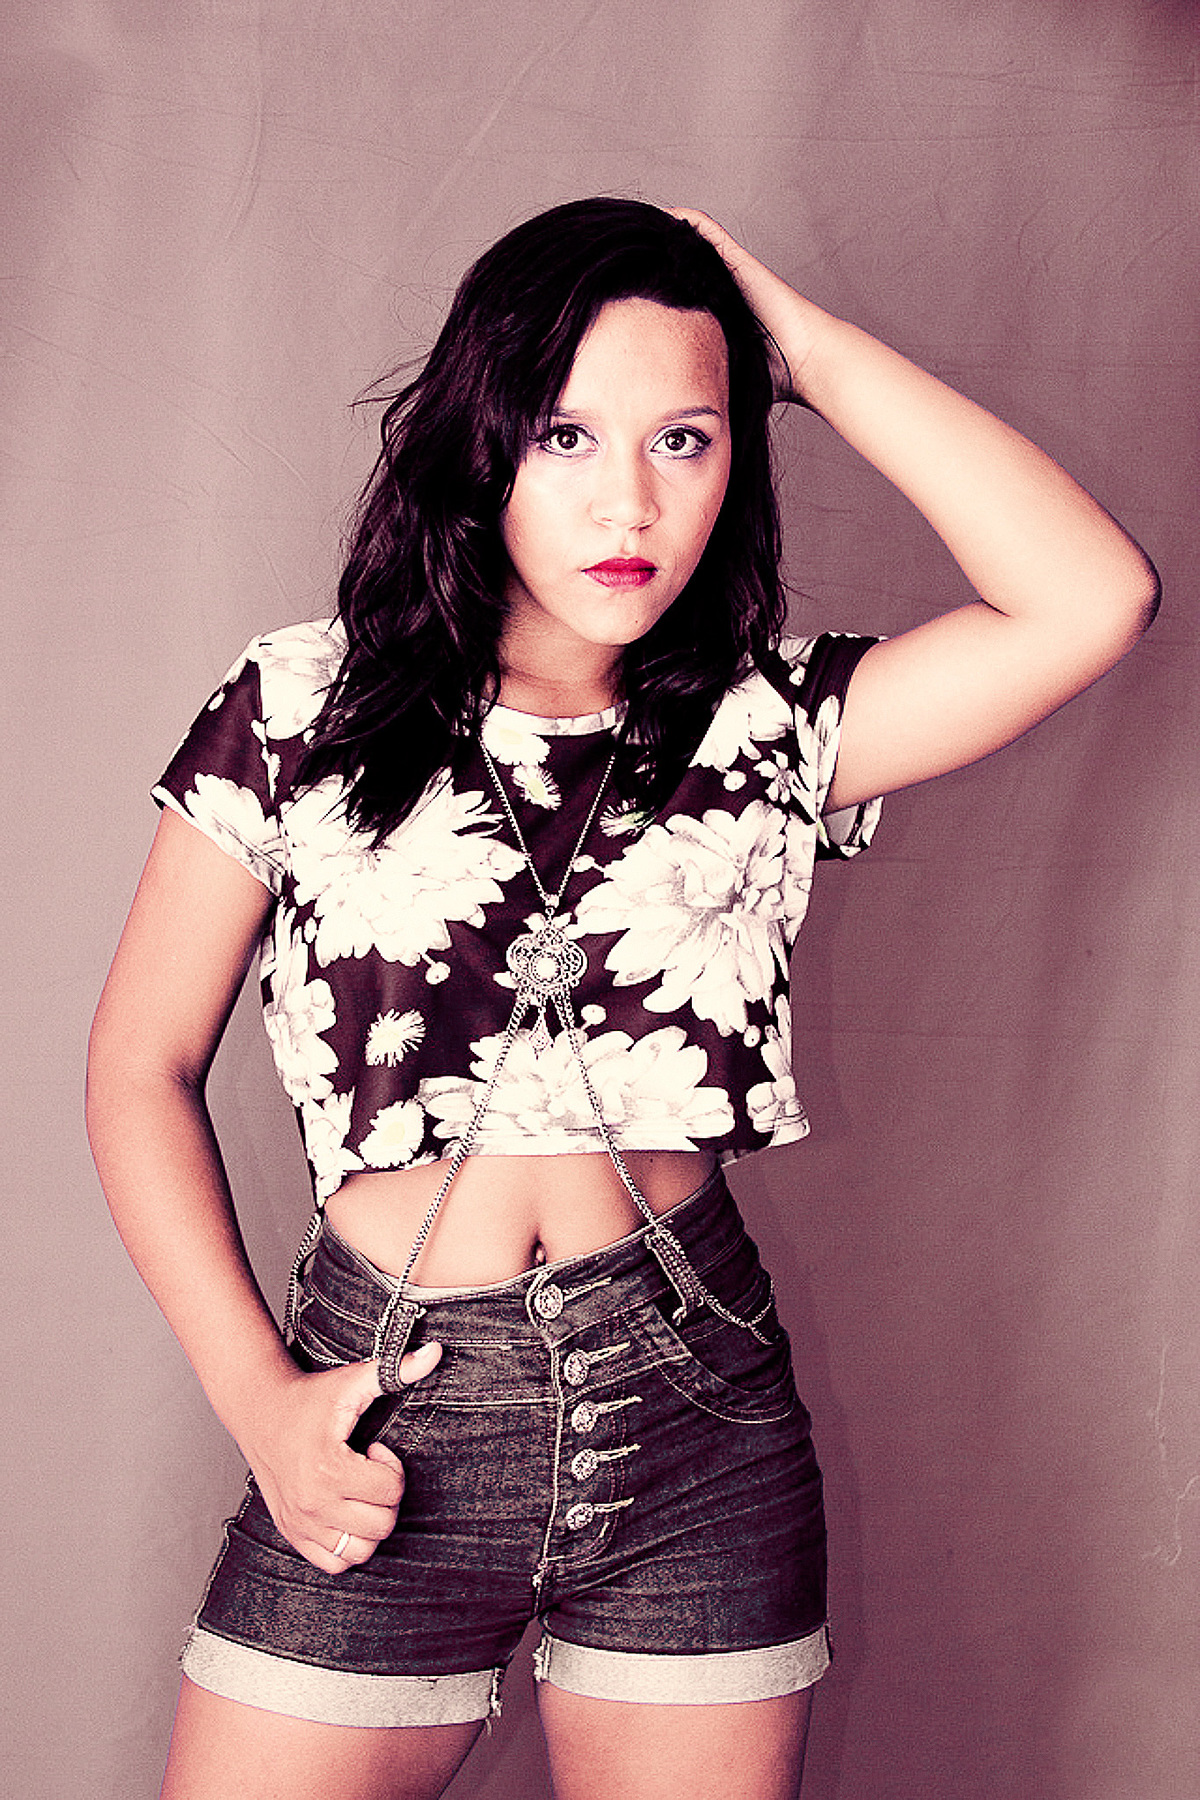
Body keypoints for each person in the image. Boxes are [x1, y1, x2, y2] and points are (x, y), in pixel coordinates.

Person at [86, 197, 1158, 1800]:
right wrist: (261, 1401)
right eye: (569, 435)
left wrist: (801, 346)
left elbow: (1093, 598)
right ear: (483, 442)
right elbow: (137, 1067)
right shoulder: (301, 704)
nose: (630, 501)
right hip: (383, 1408)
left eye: (686, 440)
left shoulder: (766, 721)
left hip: (693, 1411)